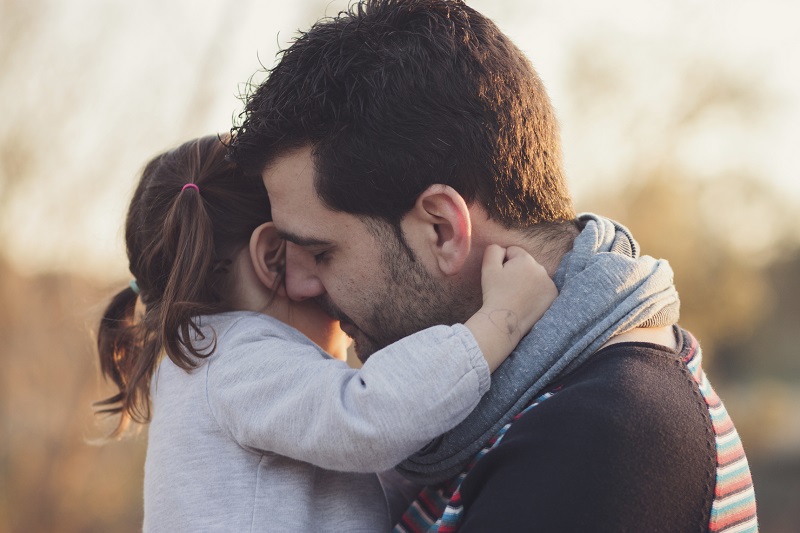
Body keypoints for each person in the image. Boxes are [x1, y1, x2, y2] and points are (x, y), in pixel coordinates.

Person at [228, 1, 758, 531]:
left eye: (322, 253)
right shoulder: (519, 418)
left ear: (441, 229)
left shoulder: (604, 441)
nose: (299, 284)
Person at [94, 134, 557, 531]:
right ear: (272, 256)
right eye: (320, 253)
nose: (334, 299)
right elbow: (375, 414)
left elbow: (369, 479)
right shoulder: (238, 361)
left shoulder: (204, 368)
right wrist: (501, 320)